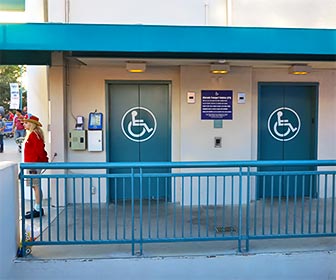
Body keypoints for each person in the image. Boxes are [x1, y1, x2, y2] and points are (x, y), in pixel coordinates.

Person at [23, 114, 49, 219]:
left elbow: (39, 150)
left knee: (36, 186)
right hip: (32, 164)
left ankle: (38, 208)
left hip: (33, 164)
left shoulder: (34, 135)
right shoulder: (34, 134)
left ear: (31, 124)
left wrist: (44, 160)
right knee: (35, 186)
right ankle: (37, 207)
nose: (24, 124)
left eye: (26, 122)